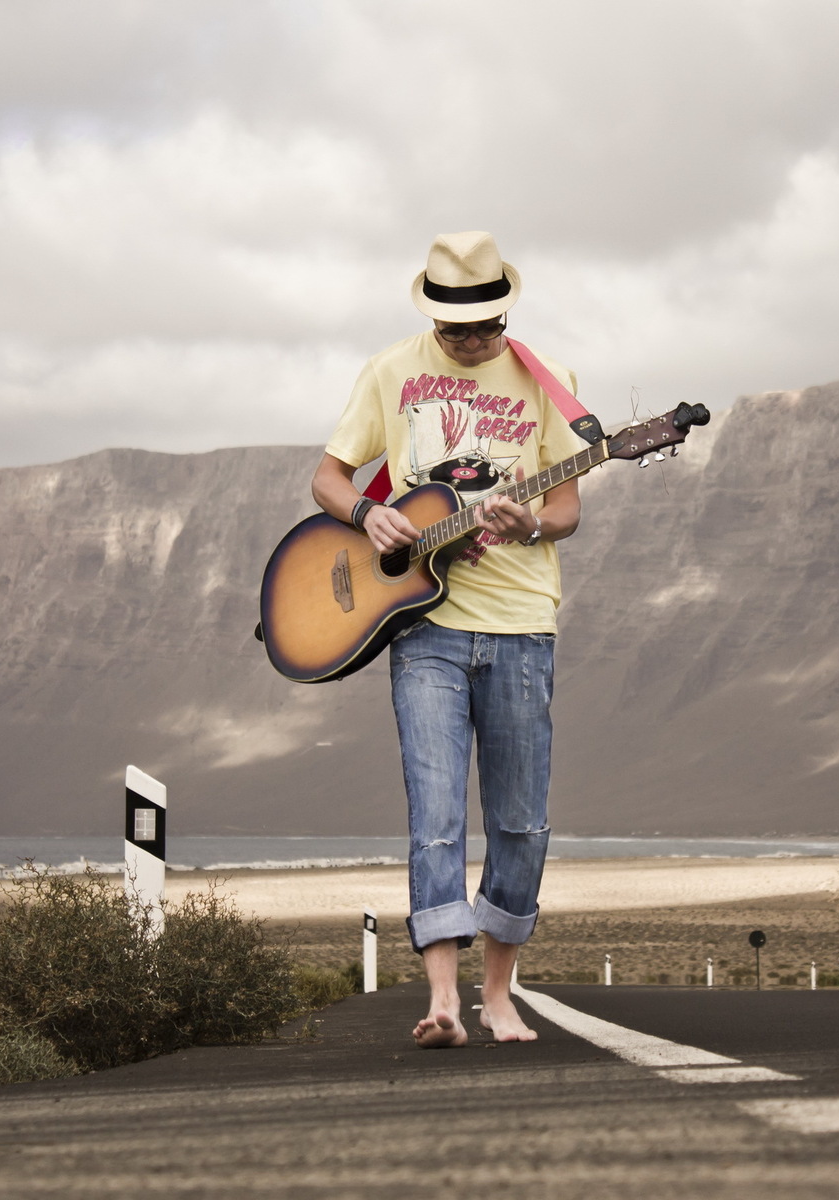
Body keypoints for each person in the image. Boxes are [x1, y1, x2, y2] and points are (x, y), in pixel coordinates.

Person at [311, 231, 582, 1048]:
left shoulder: (549, 383)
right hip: (425, 625)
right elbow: (328, 477)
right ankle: (441, 1000)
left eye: (487, 326)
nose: (473, 342)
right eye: (457, 329)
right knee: (434, 814)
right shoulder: (390, 372)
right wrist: (368, 512)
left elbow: (567, 510)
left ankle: (499, 992)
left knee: (520, 821)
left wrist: (530, 519)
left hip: (522, 626)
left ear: (505, 310)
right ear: (432, 315)